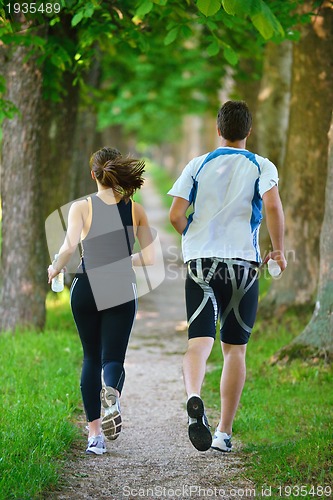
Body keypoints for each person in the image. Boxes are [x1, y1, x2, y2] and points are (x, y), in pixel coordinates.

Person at [168, 101, 287, 452]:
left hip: (201, 263)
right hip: (242, 266)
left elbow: (176, 214)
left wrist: (194, 234)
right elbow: (273, 206)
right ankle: (223, 433)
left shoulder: (198, 164)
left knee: (198, 343)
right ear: (248, 131)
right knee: (235, 351)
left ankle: (193, 397)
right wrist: (278, 249)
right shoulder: (261, 165)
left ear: (218, 130)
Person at [48, 147, 153, 455]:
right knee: (112, 359)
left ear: (92, 174)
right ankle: (113, 395)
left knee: (90, 357)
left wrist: (54, 268)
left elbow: (69, 247)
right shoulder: (135, 209)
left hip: (85, 285)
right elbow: (149, 257)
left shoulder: (81, 207)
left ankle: (95, 436)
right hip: (119, 285)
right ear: (117, 172)